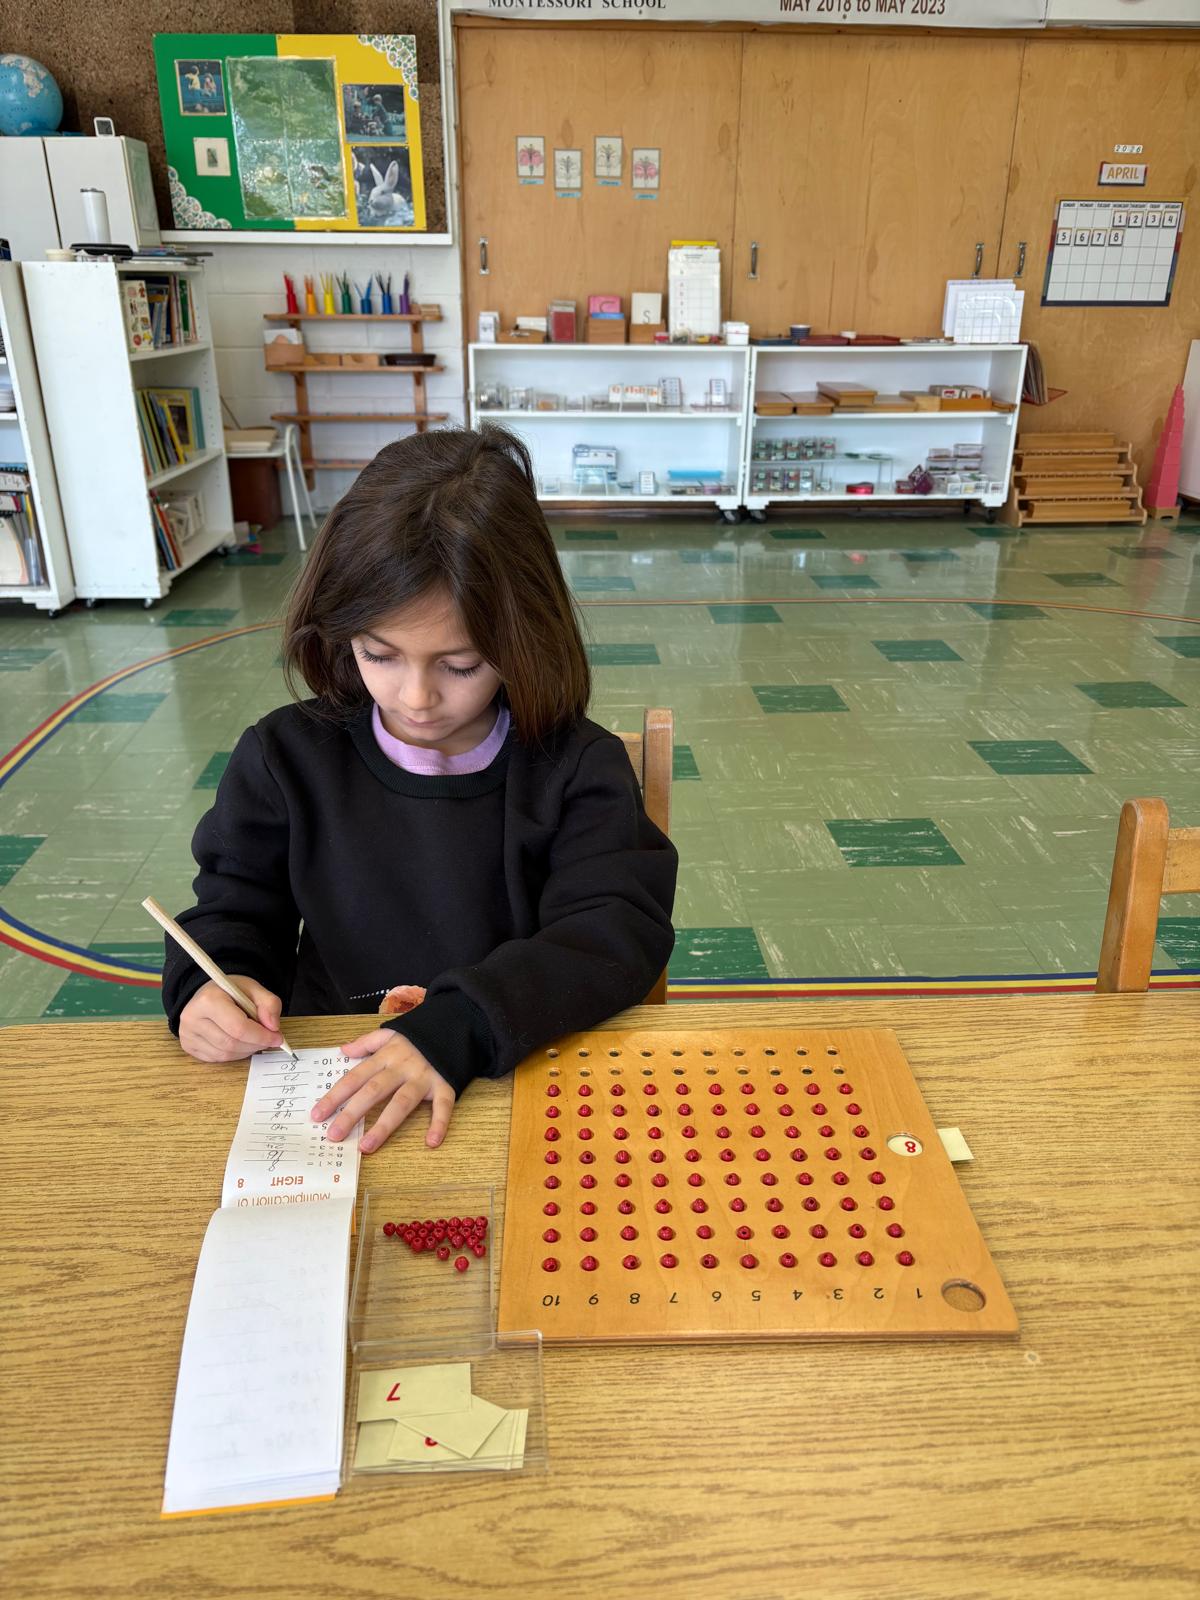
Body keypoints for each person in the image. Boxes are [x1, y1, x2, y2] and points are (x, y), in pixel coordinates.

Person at [161, 426, 677, 1154]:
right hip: (331, 1082)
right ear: (341, 634)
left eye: (460, 665)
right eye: (379, 654)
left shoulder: (576, 768)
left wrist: (459, 1025)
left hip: (515, 1075)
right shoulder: (285, 758)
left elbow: (616, 931)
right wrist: (208, 985)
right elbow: (234, 907)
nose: (417, 697)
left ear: (524, 638)